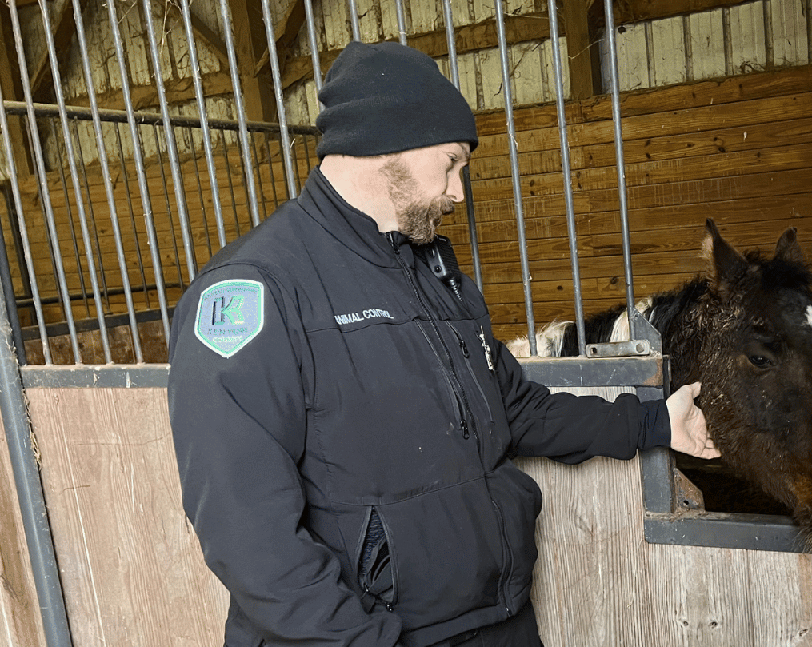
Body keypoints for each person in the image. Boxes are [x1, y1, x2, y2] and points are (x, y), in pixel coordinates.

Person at [167, 40, 719, 647]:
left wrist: (653, 425)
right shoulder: (256, 292)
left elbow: (513, 407)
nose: (459, 192)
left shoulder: (434, 273)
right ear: (389, 146)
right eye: (451, 163)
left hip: (494, 617)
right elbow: (246, 532)